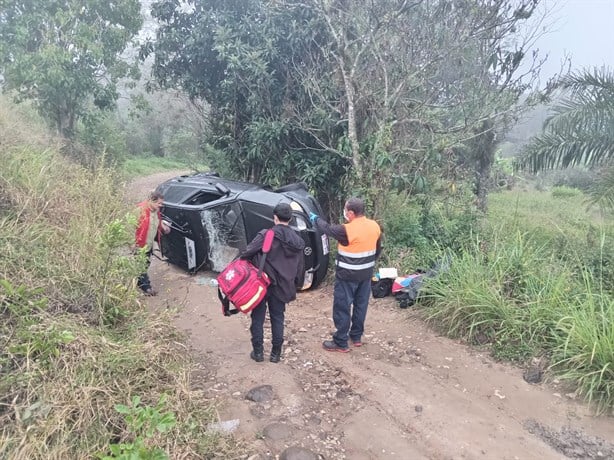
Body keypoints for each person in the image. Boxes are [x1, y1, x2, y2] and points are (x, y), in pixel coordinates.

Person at [310, 197, 382, 352]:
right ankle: (356, 336)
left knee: (342, 306)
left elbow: (327, 229)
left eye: (345, 210)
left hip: (347, 276)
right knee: (361, 305)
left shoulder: (346, 230)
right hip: (365, 275)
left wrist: (315, 219)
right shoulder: (374, 226)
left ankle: (341, 341)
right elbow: (378, 249)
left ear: (350, 213)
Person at [240, 202, 305, 363]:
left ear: (275, 217)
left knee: (258, 317)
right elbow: (300, 267)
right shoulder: (297, 241)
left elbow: (248, 252)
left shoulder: (266, 235)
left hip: (262, 283)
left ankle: (258, 352)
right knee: (278, 318)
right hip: (283, 285)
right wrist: (296, 284)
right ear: (289, 219)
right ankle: (276, 354)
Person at [135, 191, 170, 296]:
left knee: (145, 263)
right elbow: (130, 226)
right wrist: (131, 243)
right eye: (159, 203)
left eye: (161, 203)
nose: (161, 205)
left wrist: (163, 227)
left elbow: (157, 221)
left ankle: (140, 281)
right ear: (151, 201)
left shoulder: (155, 211)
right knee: (142, 265)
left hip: (149, 243)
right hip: (140, 244)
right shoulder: (139, 210)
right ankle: (146, 287)